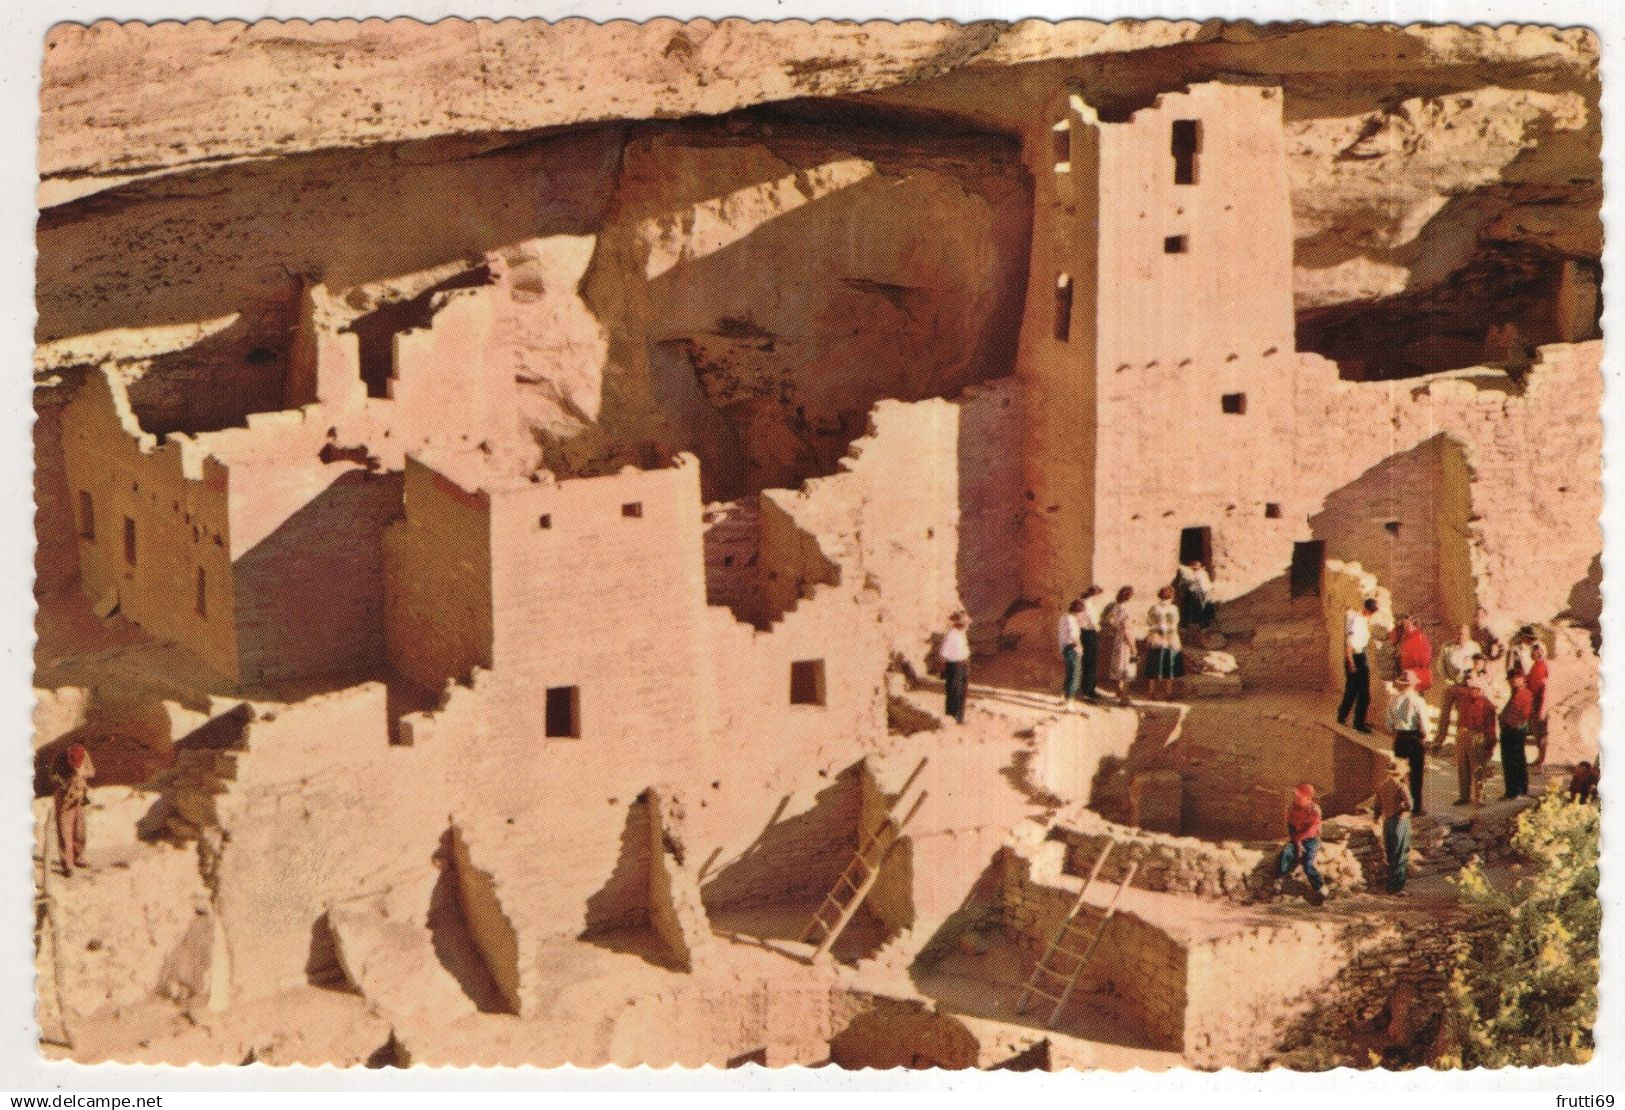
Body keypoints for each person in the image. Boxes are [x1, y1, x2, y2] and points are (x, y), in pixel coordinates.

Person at [1438, 656, 1495, 807]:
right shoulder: (1464, 696)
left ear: (1482, 689)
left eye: (1477, 688)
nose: (1474, 691)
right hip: (1462, 734)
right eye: (1472, 687)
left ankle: (1480, 797)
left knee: (1477, 768)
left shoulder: (1487, 705)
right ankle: (1464, 796)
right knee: (1462, 766)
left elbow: (1491, 727)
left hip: (1477, 737)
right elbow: (1452, 688)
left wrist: (1490, 744)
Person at [1386, 669, 1429, 815]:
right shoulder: (1418, 700)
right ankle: (1416, 807)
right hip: (1414, 738)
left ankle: (1399, 805)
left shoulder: (1393, 699)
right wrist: (1424, 738)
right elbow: (1423, 724)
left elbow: (1389, 724)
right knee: (1416, 774)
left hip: (1400, 738)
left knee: (1400, 774)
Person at [50, 742, 95, 876]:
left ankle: (78, 857)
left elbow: (92, 772)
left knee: (79, 830)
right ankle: (67, 864)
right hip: (64, 797)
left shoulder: (84, 755)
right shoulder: (60, 758)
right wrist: (65, 783)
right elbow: (53, 775)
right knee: (65, 832)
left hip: (79, 795)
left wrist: (80, 774)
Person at [1337, 597, 1379, 733]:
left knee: (1352, 689)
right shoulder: (1355, 621)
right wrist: (1351, 662)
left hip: (1360, 656)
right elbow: (1348, 643)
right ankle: (1358, 723)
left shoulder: (1360, 619)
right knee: (1362, 693)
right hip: (1355, 657)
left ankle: (1342, 716)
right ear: (1367, 610)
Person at [1276, 783, 1325, 898]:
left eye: (1299, 796)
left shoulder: (1314, 810)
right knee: (1286, 853)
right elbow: (1291, 828)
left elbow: (1311, 831)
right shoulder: (1293, 808)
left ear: (1307, 797)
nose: (1296, 798)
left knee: (1307, 864)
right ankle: (1280, 880)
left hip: (1310, 840)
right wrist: (1297, 844)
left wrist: (1300, 843)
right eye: (1295, 796)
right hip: (1296, 839)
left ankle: (1320, 887)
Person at [1374, 761, 1413, 895]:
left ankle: (1390, 887)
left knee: (1390, 854)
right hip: (1399, 821)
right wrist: (1404, 814)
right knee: (1400, 854)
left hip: (1387, 822)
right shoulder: (1401, 786)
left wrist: (1377, 818)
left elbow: (1377, 807)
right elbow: (1410, 806)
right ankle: (1398, 888)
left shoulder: (1382, 786)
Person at [1499, 670, 1535, 799]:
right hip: (1510, 729)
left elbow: (1524, 714)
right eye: (1511, 679)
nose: (1512, 681)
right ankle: (1516, 790)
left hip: (1515, 730)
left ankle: (1515, 791)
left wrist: (1509, 723)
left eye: (1515, 679)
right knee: (1513, 761)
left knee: (1513, 761)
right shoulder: (1516, 692)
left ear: (1522, 679)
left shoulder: (1525, 694)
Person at [1100, 586, 1138, 705]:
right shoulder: (1126, 610)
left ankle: (1118, 691)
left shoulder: (1116, 607)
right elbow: (1126, 630)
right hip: (1125, 641)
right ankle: (1124, 697)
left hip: (1118, 639)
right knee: (1127, 668)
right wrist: (1133, 647)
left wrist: (1117, 627)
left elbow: (1110, 621)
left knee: (1118, 667)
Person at [1145, 586, 1182, 701]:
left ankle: (1151, 692)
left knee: (1154, 666)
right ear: (1172, 595)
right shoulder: (1173, 609)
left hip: (1157, 639)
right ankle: (1168, 693)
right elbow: (1175, 624)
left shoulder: (1154, 608)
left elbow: (1149, 622)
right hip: (1170, 639)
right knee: (1169, 665)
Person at [940, 611, 971, 725]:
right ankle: (952, 717)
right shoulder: (951, 635)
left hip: (963, 664)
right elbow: (943, 654)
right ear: (960, 624)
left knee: (962, 691)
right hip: (954, 665)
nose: (968, 625)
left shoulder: (961, 633)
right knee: (954, 691)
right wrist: (944, 670)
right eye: (966, 623)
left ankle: (959, 718)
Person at [1390, 615, 1433, 694]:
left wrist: (1411, 674)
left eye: (1407, 623)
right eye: (1403, 624)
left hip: (1414, 679)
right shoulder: (1405, 634)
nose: (1405, 625)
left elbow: (1424, 662)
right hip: (1406, 677)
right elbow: (1392, 638)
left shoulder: (1419, 639)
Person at [1527, 640, 1551, 770]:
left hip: (1540, 702)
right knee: (1536, 732)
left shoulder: (1544, 667)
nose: (1538, 654)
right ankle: (1539, 758)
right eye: (1536, 652)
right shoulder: (1535, 665)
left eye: (1540, 651)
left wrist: (1542, 708)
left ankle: (1541, 761)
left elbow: (1544, 689)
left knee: (1541, 733)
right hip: (1533, 702)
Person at [1077, 585, 1104, 702]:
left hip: (1085, 633)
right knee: (1090, 662)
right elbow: (1093, 622)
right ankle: (1088, 691)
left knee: (1089, 662)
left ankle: (1089, 689)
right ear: (1095, 594)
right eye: (1099, 595)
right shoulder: (1088, 604)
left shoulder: (1085, 603)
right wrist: (1099, 628)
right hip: (1089, 634)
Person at [1058, 601, 1084, 710]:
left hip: (1065, 648)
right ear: (1078, 611)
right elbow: (1074, 637)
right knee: (1075, 674)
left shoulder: (1063, 617)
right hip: (1072, 648)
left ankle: (1063, 697)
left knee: (1069, 673)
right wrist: (1080, 648)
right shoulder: (1072, 620)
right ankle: (1069, 701)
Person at [1175, 559, 1215, 628]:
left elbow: (1203, 584)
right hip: (1199, 592)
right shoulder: (1198, 573)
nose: (1195, 568)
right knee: (1199, 607)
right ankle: (1201, 623)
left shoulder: (1200, 574)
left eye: (1197, 566)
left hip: (1200, 592)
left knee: (1199, 607)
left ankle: (1199, 622)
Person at [1437, 624, 1480, 689]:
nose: (1461, 636)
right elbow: (1440, 668)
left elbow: (1480, 665)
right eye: (1459, 634)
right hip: (1453, 686)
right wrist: (1450, 683)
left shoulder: (1475, 647)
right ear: (1455, 634)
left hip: (1471, 686)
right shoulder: (1447, 646)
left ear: (1468, 635)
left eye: (1464, 634)